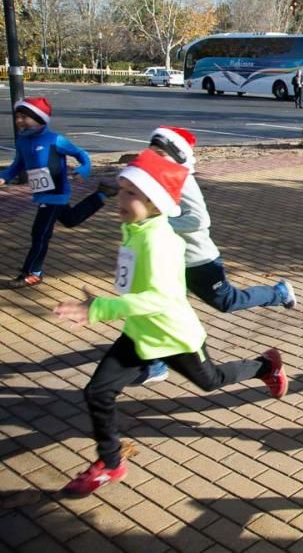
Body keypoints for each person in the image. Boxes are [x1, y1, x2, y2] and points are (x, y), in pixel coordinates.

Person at [53, 150, 288, 495]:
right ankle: (111, 462)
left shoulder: (159, 240)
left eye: (132, 193)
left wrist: (99, 308)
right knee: (98, 392)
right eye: (121, 190)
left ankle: (266, 366)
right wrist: (104, 304)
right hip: (139, 334)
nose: (122, 198)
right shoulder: (136, 228)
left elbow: (160, 299)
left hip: (175, 337)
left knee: (212, 381)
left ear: (155, 203)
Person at [135, 126, 297, 385]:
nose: (155, 156)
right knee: (163, 306)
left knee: (227, 302)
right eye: (152, 151)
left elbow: (199, 219)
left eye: (162, 153)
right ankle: (155, 364)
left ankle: (279, 293)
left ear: (177, 156)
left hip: (198, 260)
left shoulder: (183, 180)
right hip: (170, 260)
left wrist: (159, 224)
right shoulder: (155, 178)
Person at [0, 96, 116, 289]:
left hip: (55, 194)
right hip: (41, 194)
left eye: (24, 117)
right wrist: (4, 177)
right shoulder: (22, 141)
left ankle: (32, 273)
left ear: (39, 118)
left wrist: (84, 169)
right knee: (70, 219)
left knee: (40, 233)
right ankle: (101, 195)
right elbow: (16, 165)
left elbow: (81, 154)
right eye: (17, 116)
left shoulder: (55, 140)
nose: (19, 120)